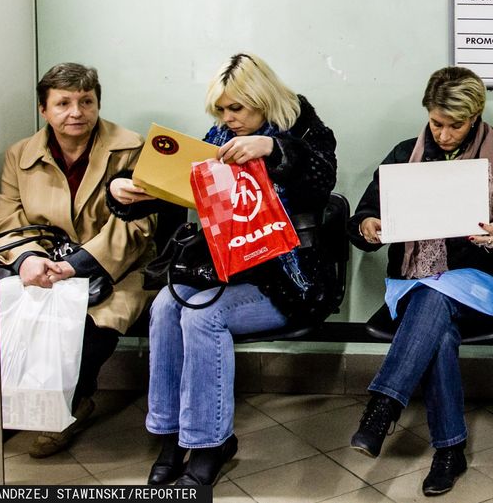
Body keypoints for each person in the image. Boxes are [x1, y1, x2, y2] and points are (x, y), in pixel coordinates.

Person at [108, 53, 337, 487]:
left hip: (289, 281)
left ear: (263, 101)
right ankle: (173, 435)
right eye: (221, 110)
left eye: (238, 109)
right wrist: (123, 189)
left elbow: (321, 177)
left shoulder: (303, 128)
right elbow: (173, 185)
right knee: (163, 308)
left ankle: (211, 443)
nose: (228, 119)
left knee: (202, 316)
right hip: (226, 272)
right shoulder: (217, 138)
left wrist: (272, 148)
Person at [346, 66, 493, 497]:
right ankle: (448, 450)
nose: (444, 133)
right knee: (436, 319)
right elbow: (361, 217)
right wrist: (369, 226)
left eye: (456, 125)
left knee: (432, 300)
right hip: (415, 282)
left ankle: (384, 407)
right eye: (437, 123)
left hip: (483, 283)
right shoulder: (404, 154)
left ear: (475, 117)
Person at [0, 63, 153, 458]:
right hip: (42, 263)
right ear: (43, 110)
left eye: (86, 101)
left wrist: (78, 265)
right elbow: (9, 218)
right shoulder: (20, 155)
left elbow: (138, 227)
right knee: (3, 311)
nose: (76, 112)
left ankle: (73, 405)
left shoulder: (130, 147)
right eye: (63, 103)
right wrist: (28, 259)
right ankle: (14, 406)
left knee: (89, 327)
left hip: (117, 268)